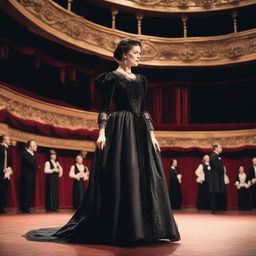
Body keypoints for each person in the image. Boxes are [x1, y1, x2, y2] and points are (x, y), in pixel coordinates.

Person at [25, 38, 180, 244]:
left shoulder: (142, 80)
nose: (139, 56)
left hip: (140, 130)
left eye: (140, 53)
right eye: (136, 52)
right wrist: (102, 132)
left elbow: (143, 110)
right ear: (124, 54)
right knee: (126, 173)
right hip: (121, 128)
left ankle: (149, 228)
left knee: (148, 176)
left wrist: (152, 134)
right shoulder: (110, 78)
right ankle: (126, 228)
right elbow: (105, 108)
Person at [19, 140, 38, 213]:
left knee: (29, 191)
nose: (36, 146)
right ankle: (25, 208)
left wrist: (36, 166)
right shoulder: (25, 153)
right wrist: (33, 155)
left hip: (30, 175)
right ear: (30, 147)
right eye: (34, 145)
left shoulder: (30, 154)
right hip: (26, 176)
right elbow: (31, 162)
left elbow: (34, 165)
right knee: (26, 191)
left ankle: (27, 206)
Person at [208, 143, 225, 214]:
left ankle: (217, 209)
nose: (221, 149)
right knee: (214, 194)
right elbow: (216, 166)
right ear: (215, 148)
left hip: (217, 178)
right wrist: (222, 170)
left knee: (217, 194)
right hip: (215, 179)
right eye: (220, 148)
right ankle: (214, 210)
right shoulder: (213, 156)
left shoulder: (217, 156)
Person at [0, 135, 13, 214]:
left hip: (6, 173)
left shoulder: (8, 149)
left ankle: (2, 208)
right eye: (8, 139)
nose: (9, 141)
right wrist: (2, 168)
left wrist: (9, 169)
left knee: (4, 190)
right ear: (4, 140)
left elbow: (9, 161)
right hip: (1, 171)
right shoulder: (1, 148)